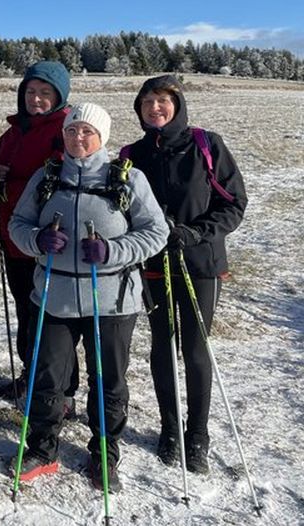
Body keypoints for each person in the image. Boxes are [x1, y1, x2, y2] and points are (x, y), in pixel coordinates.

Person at [8, 103, 168, 491]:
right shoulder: (46, 177)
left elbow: (155, 232)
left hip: (111, 300)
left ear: (102, 137)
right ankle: (42, 449)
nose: (77, 137)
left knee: (108, 380)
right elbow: (18, 225)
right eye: (71, 130)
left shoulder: (127, 179)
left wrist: (113, 250)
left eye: (87, 132)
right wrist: (37, 241)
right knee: (48, 377)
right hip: (55, 295)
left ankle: (104, 454)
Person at [123, 75, 247, 474]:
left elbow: (234, 203)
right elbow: (121, 208)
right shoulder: (132, 155)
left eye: (162, 100)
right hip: (153, 263)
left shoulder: (206, 145)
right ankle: (170, 429)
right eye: (147, 102)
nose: (155, 108)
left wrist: (196, 232)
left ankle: (197, 435)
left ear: (177, 105)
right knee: (162, 344)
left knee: (194, 349)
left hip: (200, 263)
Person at [0, 61, 79, 414]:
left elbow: (58, 178)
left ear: (59, 96)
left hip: (49, 240)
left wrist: (9, 180)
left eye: (44, 93)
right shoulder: (16, 130)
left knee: (53, 317)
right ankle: (31, 375)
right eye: (30, 91)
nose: (36, 99)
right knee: (26, 311)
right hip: (14, 238)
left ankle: (63, 389)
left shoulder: (64, 129)